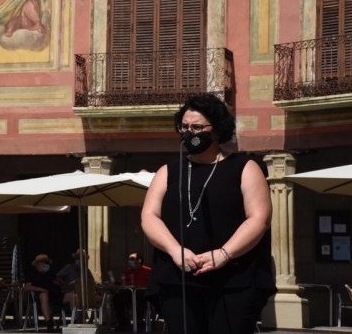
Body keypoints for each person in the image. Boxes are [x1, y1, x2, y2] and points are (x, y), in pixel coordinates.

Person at [140, 93, 276, 334]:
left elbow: (259, 218)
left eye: (197, 127)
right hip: (178, 277)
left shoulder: (245, 167)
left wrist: (224, 254)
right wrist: (175, 250)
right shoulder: (168, 171)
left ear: (217, 129)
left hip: (234, 279)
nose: (189, 133)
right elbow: (149, 216)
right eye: (184, 127)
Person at [24, 253, 67, 332]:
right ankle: (49, 322)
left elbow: (61, 283)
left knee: (71, 295)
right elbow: (27, 287)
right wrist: (40, 289)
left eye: (46, 263)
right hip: (40, 297)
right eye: (43, 262)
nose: (45, 264)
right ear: (37, 264)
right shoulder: (31, 274)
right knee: (44, 295)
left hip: (54, 295)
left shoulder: (50, 274)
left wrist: (60, 282)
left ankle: (78, 321)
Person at [112, 253, 151, 331]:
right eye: (130, 259)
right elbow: (123, 283)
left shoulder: (148, 270)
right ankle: (123, 323)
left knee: (139, 301)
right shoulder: (127, 271)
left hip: (142, 293)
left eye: (132, 259)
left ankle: (139, 324)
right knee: (117, 298)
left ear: (139, 260)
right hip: (128, 293)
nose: (130, 261)